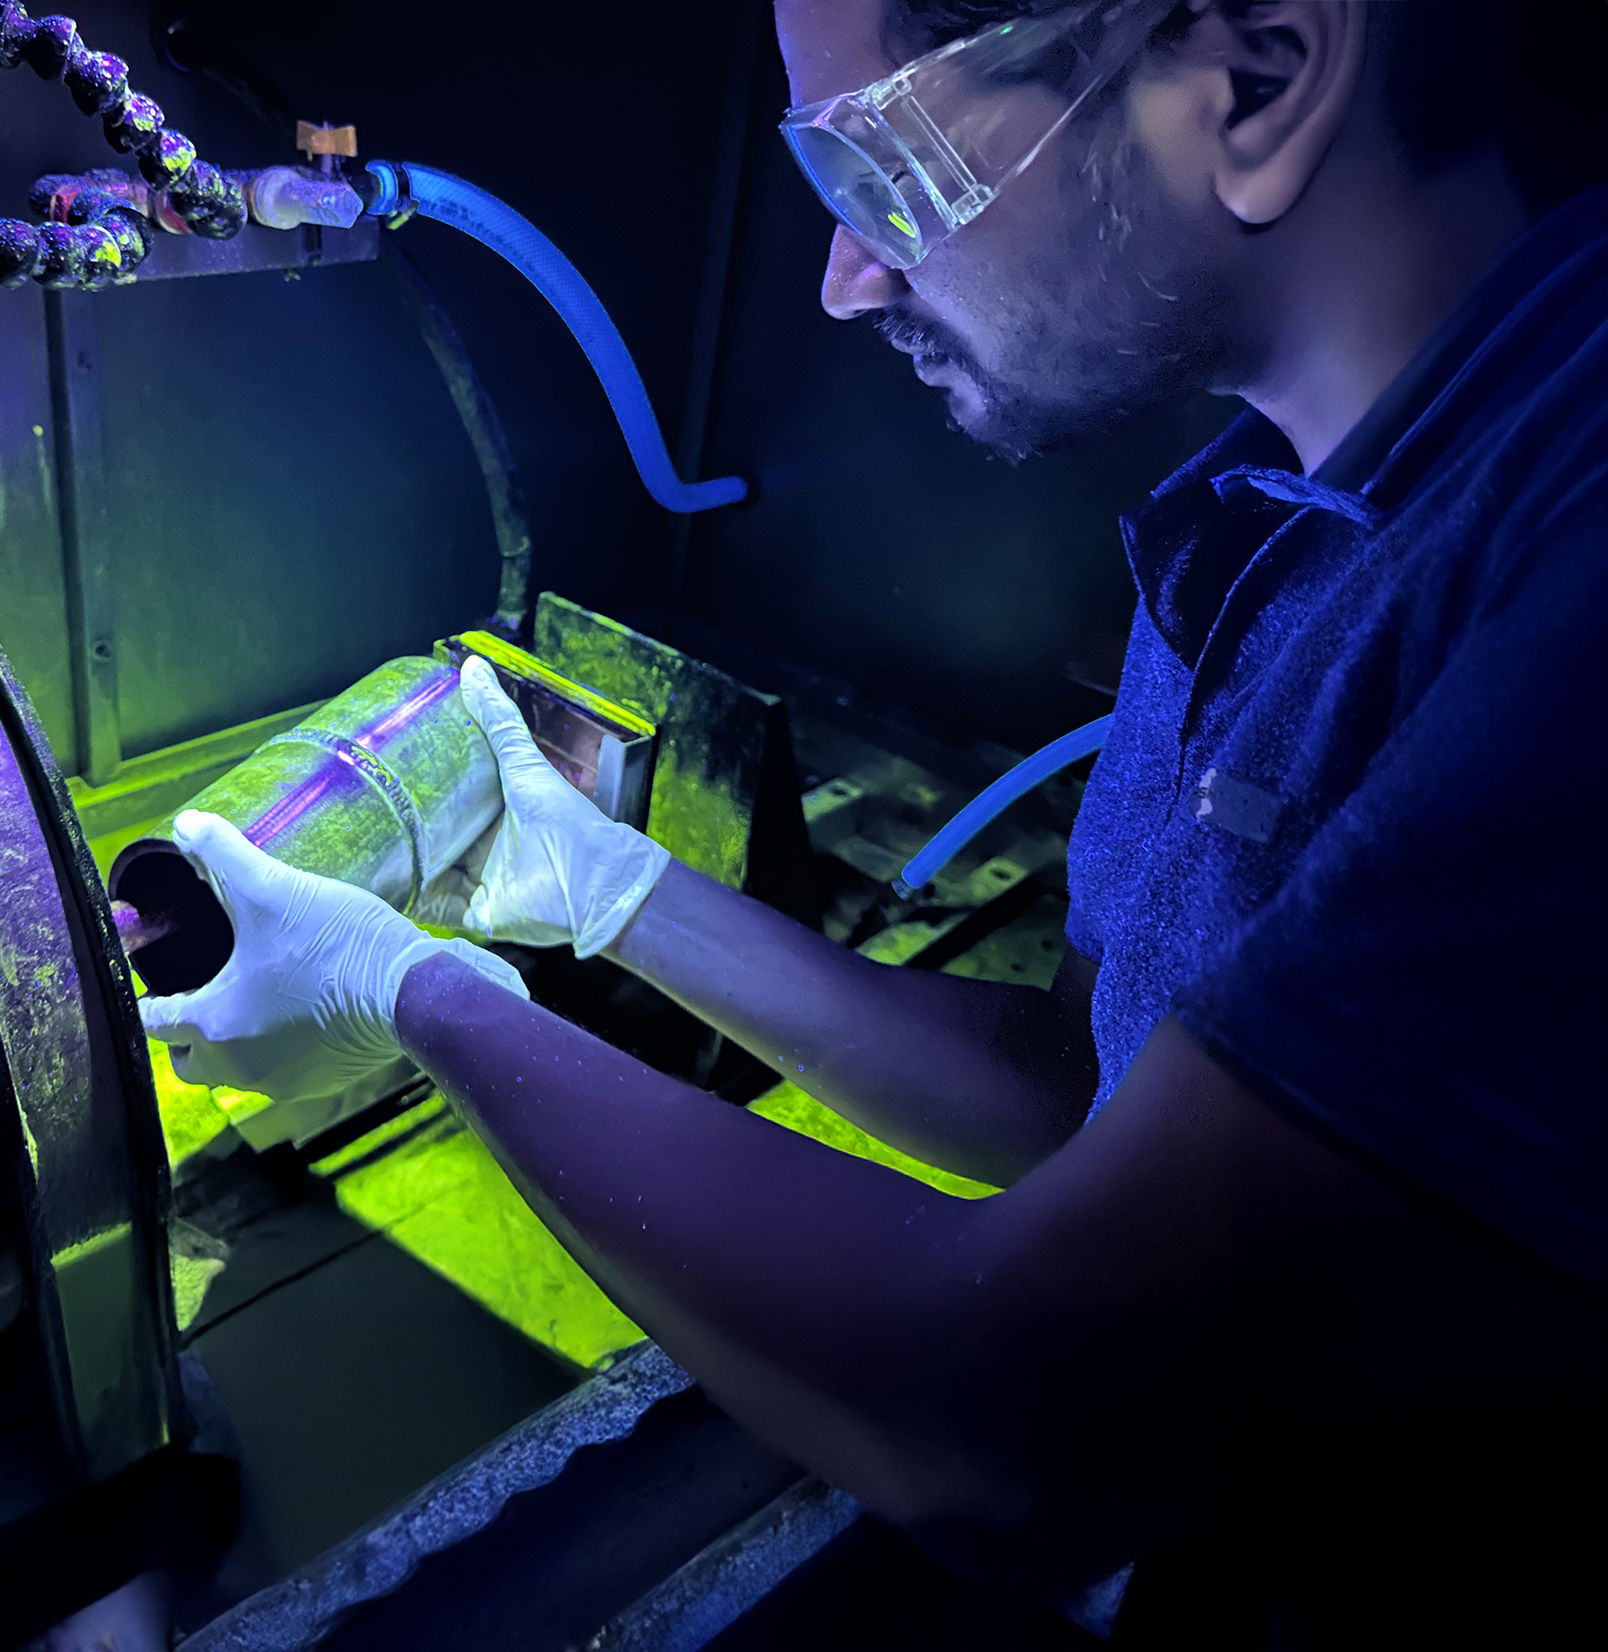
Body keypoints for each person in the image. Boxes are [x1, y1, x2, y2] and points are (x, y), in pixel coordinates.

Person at [139, 1, 1608, 1640]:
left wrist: (419, 998)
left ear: (1259, 80)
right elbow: (1081, 1088)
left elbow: (1031, 1420)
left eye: (880, 166)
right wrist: (620, 893)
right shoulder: (1258, 515)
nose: (846, 278)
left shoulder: (1574, 565)